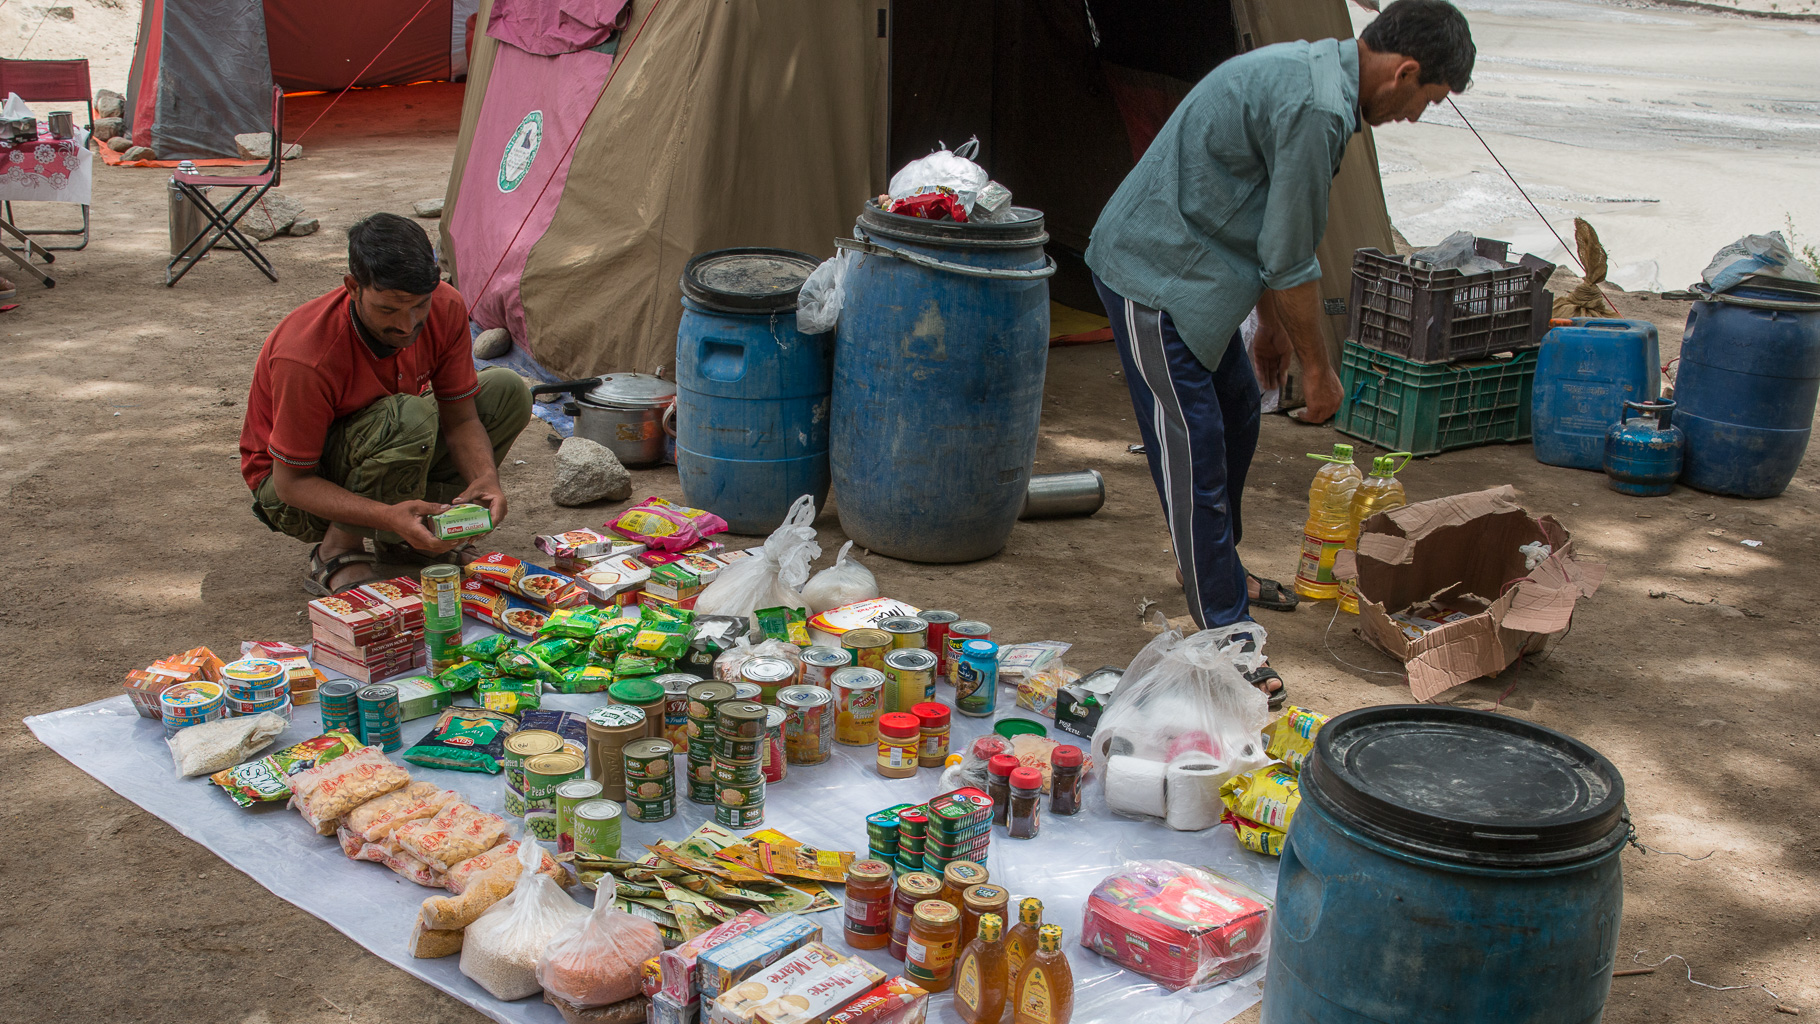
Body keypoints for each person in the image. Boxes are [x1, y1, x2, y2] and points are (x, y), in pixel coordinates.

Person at [1085, 0, 1475, 704]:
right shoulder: (1319, 108)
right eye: (1428, 100)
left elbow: (1268, 217)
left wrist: (1270, 329)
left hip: (1201, 274)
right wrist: (1318, 369)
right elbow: (1291, 257)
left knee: (1238, 409)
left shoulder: (1323, 75)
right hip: (1152, 276)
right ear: (1406, 71)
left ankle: (1212, 569)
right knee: (1195, 449)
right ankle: (1225, 638)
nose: (1416, 116)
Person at [240, 213, 533, 594]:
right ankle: (336, 549)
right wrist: (385, 515)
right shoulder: (306, 354)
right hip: (294, 495)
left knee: (508, 391)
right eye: (388, 309)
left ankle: (410, 539)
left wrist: (485, 477)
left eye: (418, 306)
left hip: (384, 450)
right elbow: (291, 484)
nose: (407, 324)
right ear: (353, 287)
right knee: (409, 418)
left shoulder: (445, 307)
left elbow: (461, 420)